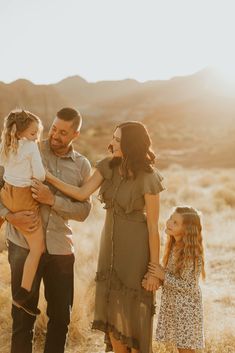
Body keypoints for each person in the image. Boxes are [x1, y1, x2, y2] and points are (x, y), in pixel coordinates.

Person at [46, 121, 165, 353]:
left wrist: (154, 270)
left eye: (118, 140)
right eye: (113, 137)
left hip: (136, 254)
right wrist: (48, 177)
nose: (111, 143)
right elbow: (81, 193)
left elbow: (153, 227)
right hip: (108, 253)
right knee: (112, 317)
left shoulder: (149, 177)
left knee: (135, 317)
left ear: (130, 144)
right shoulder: (107, 167)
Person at [0, 107, 92, 353]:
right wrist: (10, 216)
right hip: (23, 244)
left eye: (63, 132)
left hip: (61, 250)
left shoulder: (82, 166)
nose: (54, 135)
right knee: (21, 320)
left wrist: (53, 200)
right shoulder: (24, 147)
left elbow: (84, 211)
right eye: (53, 128)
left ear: (76, 134)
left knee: (61, 318)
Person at [0, 110, 45, 316]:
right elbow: (40, 175)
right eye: (34, 133)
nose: (37, 137)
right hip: (23, 197)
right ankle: (23, 294)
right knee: (38, 247)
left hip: (6, 193)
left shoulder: (6, 144)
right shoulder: (31, 147)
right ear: (21, 132)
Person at [147, 206, 205, 353]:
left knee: (185, 349)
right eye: (170, 219)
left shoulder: (190, 254)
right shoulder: (174, 246)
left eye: (175, 223)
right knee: (181, 347)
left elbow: (189, 285)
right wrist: (157, 278)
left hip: (187, 308)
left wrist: (163, 276)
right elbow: (172, 275)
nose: (169, 223)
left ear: (186, 230)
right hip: (176, 306)